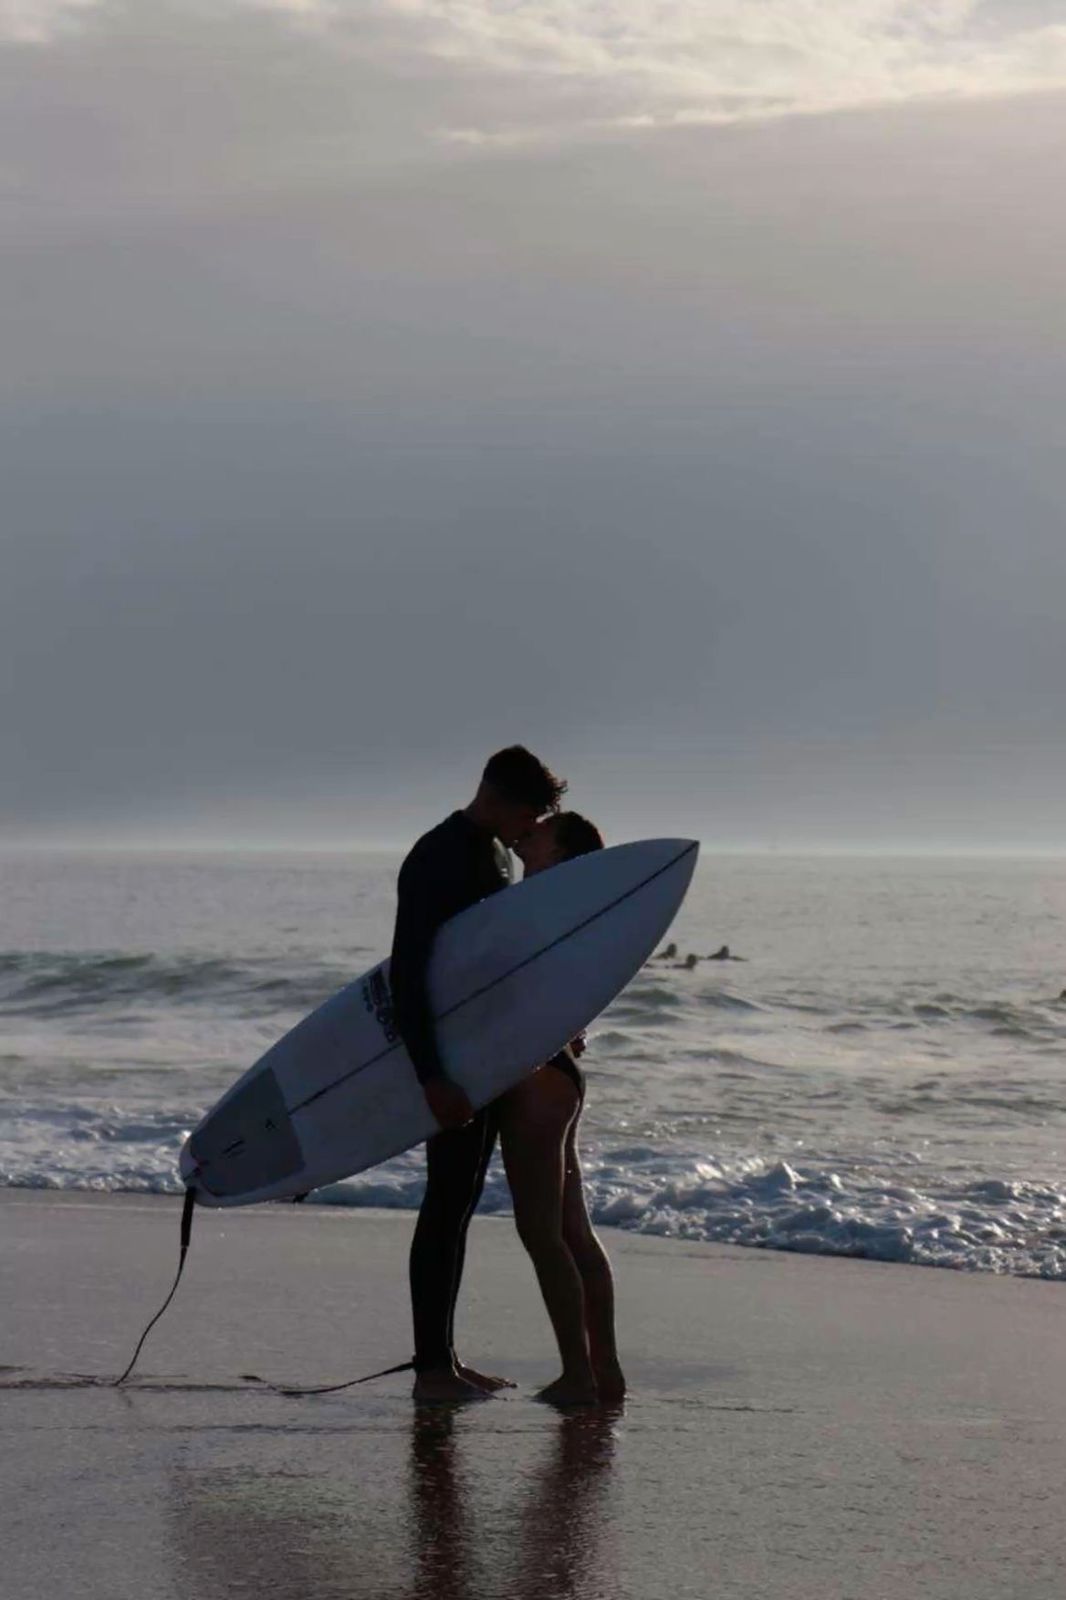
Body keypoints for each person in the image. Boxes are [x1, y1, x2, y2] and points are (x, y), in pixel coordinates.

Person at [390, 745, 567, 1403]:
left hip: (485, 1055)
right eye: (527, 813)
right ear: (495, 794)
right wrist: (432, 1075)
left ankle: (445, 1359)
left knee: (458, 1203)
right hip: (456, 1059)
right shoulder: (438, 856)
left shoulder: (494, 854)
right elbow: (409, 973)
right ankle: (432, 1369)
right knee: (444, 1204)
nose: (529, 829)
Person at [498, 811, 626, 1408]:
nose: (529, 831)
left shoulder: (541, 907)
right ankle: (605, 1371)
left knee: (542, 1231)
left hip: (535, 1075)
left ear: (561, 851)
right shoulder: (576, 913)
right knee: (573, 1230)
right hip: (560, 1074)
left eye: (541, 829)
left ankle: (578, 1375)